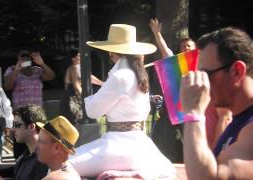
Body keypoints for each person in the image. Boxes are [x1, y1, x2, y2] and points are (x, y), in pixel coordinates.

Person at [69, 24, 175, 179]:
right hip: (140, 144)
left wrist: (90, 96)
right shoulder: (138, 74)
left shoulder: (120, 76)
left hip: (119, 147)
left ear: (112, 52)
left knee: (63, 164)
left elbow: (92, 111)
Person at [180, 27, 253, 179]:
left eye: (206, 74)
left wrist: (194, 114)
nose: (201, 82)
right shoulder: (239, 119)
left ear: (237, 71)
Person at [149, 18, 232, 146]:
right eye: (183, 46)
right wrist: (156, 33)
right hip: (183, 107)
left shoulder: (204, 61)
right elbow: (164, 49)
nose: (186, 48)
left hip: (205, 106)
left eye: (189, 46)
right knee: (189, 138)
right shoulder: (176, 63)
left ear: (196, 49)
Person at [0, 104, 49, 180]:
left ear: (31, 127)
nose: (12, 129)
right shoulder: (25, 157)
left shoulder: (43, 160)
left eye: (17, 125)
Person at [60, 49, 103, 124]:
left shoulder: (78, 67)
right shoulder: (73, 68)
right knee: (74, 120)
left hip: (73, 97)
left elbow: (89, 77)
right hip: (71, 98)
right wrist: (85, 98)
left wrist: (102, 83)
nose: (81, 57)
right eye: (79, 56)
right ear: (73, 58)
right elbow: (76, 85)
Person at [36, 115, 81, 180]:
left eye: (40, 142)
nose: (36, 146)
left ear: (56, 148)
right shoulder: (61, 173)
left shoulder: (57, 178)